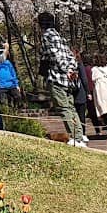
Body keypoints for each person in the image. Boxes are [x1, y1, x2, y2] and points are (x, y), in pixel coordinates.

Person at [39, 13, 87, 146]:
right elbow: (71, 56)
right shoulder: (60, 37)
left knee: (64, 108)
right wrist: (72, 70)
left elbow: (55, 55)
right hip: (69, 80)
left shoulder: (47, 36)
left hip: (57, 77)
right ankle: (79, 136)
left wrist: (66, 70)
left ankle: (74, 137)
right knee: (71, 108)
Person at [0, 46, 22, 111]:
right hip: (0, 85)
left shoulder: (8, 63)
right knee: (3, 102)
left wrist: (16, 85)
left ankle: (16, 111)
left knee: (18, 97)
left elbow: (13, 73)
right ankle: (6, 114)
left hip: (11, 84)